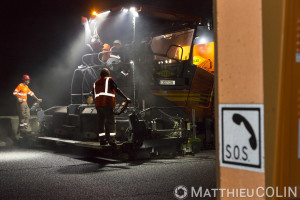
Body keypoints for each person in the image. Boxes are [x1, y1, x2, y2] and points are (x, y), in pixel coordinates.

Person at [93, 68, 130, 145]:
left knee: (101, 123)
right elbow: (117, 90)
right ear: (108, 74)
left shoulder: (96, 83)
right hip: (107, 104)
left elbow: (93, 93)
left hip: (98, 106)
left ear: (100, 75)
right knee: (111, 123)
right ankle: (112, 140)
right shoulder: (108, 80)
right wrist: (126, 98)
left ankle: (102, 140)